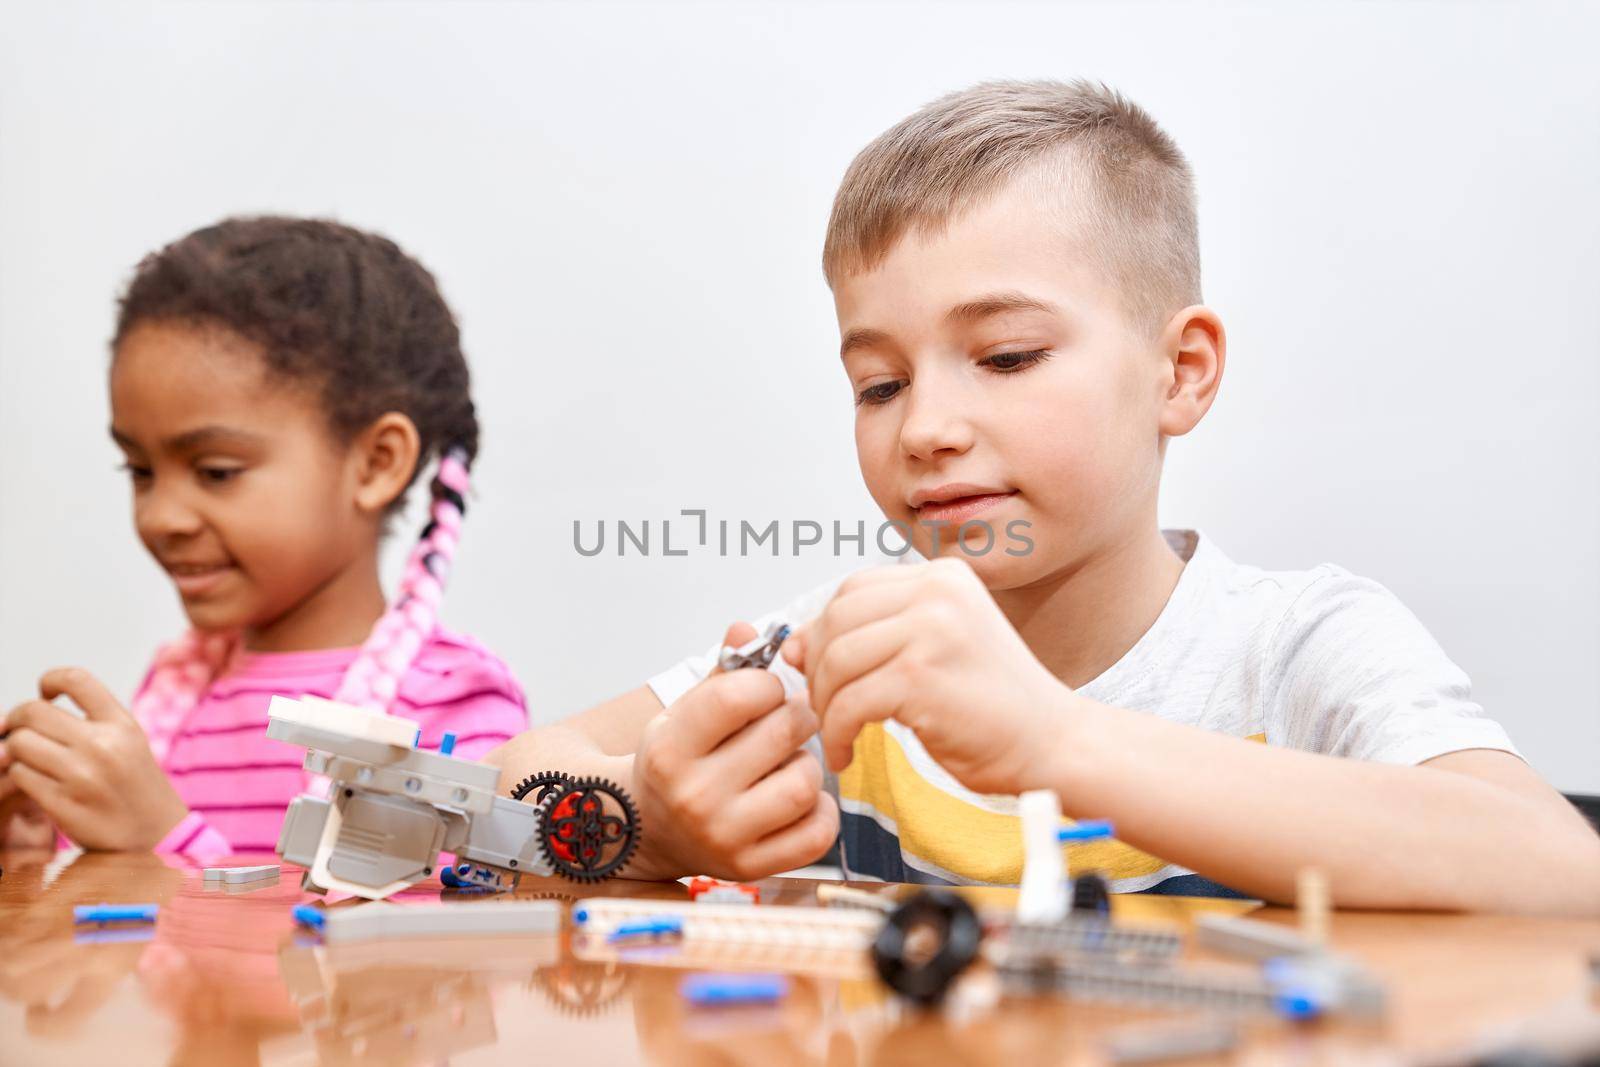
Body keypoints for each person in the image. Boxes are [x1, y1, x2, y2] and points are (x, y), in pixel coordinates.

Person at [508, 79, 1598, 914]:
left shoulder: (1292, 646)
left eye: (1009, 355)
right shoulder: (843, 645)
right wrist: (646, 822)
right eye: (878, 383)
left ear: (1180, 372)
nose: (925, 425)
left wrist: (1057, 739)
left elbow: (1559, 873)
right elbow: (507, 776)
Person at [0, 217, 527, 860]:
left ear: (376, 463)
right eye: (141, 471)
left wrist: (163, 843)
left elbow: (419, 950)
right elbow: (133, 946)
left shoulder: (453, 705)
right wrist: (33, 859)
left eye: (216, 472)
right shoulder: (174, 697)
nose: (162, 516)